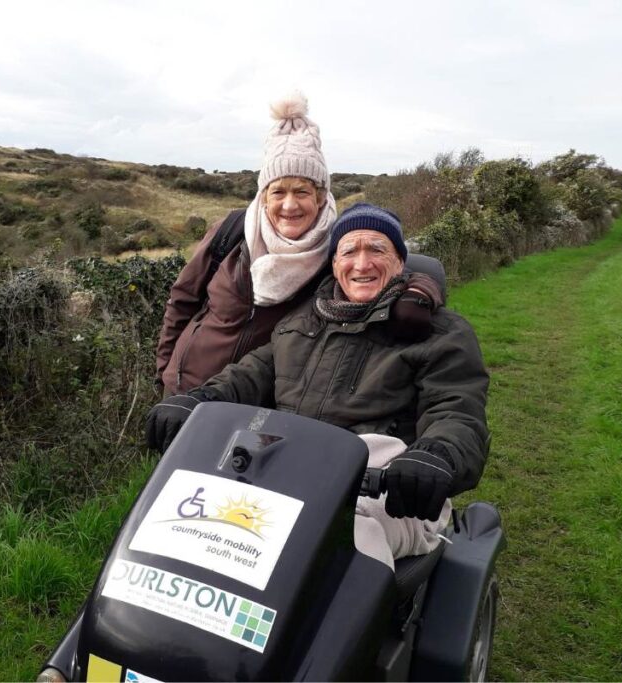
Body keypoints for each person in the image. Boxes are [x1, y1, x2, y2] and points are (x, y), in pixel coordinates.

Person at [146, 202, 490, 570]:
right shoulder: (301, 321)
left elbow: (456, 408)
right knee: (190, 522)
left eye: (377, 249)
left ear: (400, 262)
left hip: (388, 493)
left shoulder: (441, 333)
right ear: (334, 263)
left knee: (341, 546)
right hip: (286, 475)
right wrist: (196, 401)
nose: (361, 264)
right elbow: (247, 374)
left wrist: (434, 455)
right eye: (349, 251)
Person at [155, 94, 442, 396]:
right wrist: (164, 372)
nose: (289, 205)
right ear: (264, 196)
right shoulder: (232, 231)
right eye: (278, 192)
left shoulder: (335, 245)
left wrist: (421, 290)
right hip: (183, 391)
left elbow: (391, 268)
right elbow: (182, 300)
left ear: (319, 197)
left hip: (258, 403)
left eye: (301, 191)